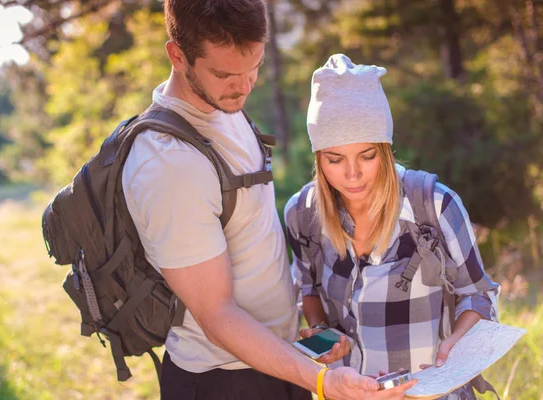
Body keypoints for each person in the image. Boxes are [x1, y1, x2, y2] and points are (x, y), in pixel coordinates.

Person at [122, 1, 416, 399]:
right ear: (177, 55)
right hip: (222, 380)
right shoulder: (169, 165)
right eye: (225, 73)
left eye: (253, 67)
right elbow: (216, 315)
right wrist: (322, 382)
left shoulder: (223, 105)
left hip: (278, 362)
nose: (243, 86)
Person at [284, 54, 501, 399]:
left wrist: (454, 346)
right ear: (318, 156)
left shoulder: (435, 205)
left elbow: (478, 294)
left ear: (385, 150)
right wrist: (325, 338)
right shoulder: (301, 213)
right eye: (335, 159)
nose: (352, 174)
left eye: (367, 156)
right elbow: (308, 292)